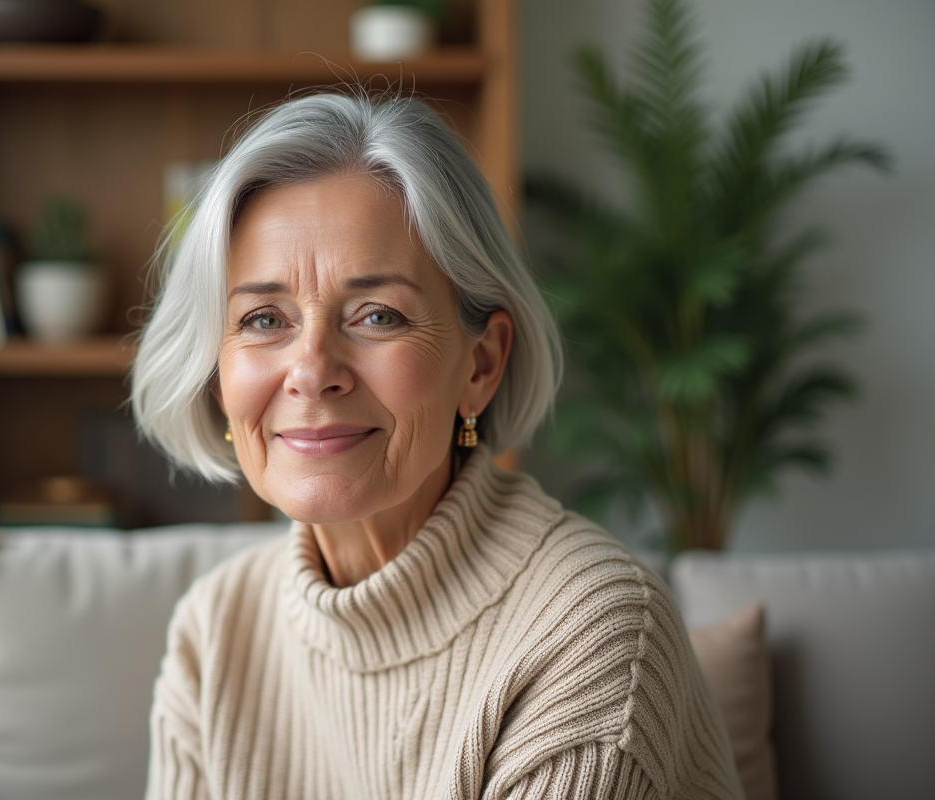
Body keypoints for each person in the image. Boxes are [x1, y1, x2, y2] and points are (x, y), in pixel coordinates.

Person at [131, 91, 742, 800]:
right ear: (216, 374)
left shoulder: (597, 630)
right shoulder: (214, 630)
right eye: (264, 319)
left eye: (378, 315)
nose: (311, 370)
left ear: (480, 366)